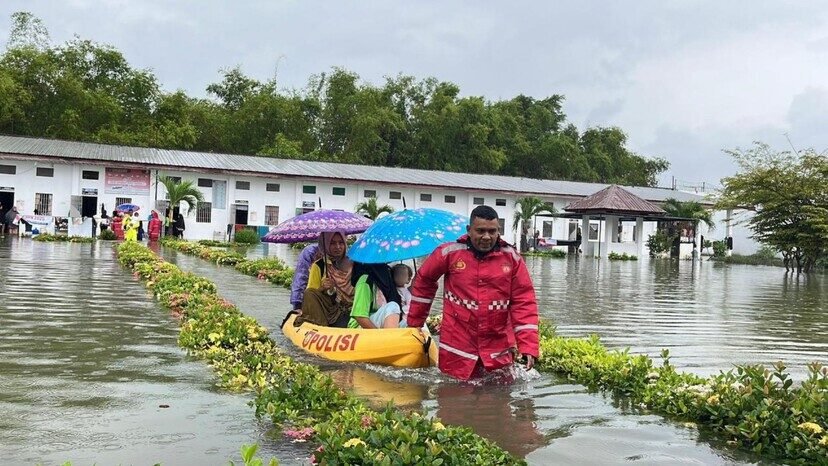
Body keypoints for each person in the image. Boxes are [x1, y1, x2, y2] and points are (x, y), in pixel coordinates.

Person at [407, 205, 539, 381]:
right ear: (469, 230)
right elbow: (424, 281)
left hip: (497, 347)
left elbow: (524, 301)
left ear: (498, 231)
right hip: (457, 346)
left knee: (500, 400)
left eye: (492, 231)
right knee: (452, 399)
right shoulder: (449, 253)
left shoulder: (512, 258)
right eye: (481, 231)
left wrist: (528, 346)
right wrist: (415, 323)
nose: (486, 237)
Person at [296, 231, 355, 327]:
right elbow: (311, 295)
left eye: (341, 243)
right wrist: (323, 288)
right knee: (309, 293)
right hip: (328, 308)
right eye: (332, 243)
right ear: (326, 244)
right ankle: (321, 327)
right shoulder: (319, 266)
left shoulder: (354, 264)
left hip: (353, 308)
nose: (338, 247)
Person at [348, 262, 403, 329]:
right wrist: (378, 335)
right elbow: (360, 317)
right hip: (360, 328)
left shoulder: (384, 283)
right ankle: (389, 338)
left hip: (378, 325)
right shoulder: (365, 282)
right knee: (393, 306)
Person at [290, 243, 321, 312]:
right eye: (332, 242)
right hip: (309, 299)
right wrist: (297, 303)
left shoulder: (344, 254)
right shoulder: (311, 251)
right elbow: (301, 276)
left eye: (340, 242)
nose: (337, 246)